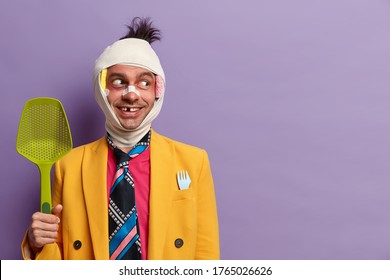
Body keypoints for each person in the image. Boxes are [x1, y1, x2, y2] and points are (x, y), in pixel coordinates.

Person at [21, 17, 220, 260]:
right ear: (101, 88)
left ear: (158, 91)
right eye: (119, 82)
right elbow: (55, 262)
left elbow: (206, 256)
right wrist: (38, 243)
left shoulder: (193, 161)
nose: (132, 95)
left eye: (144, 83)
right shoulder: (68, 165)